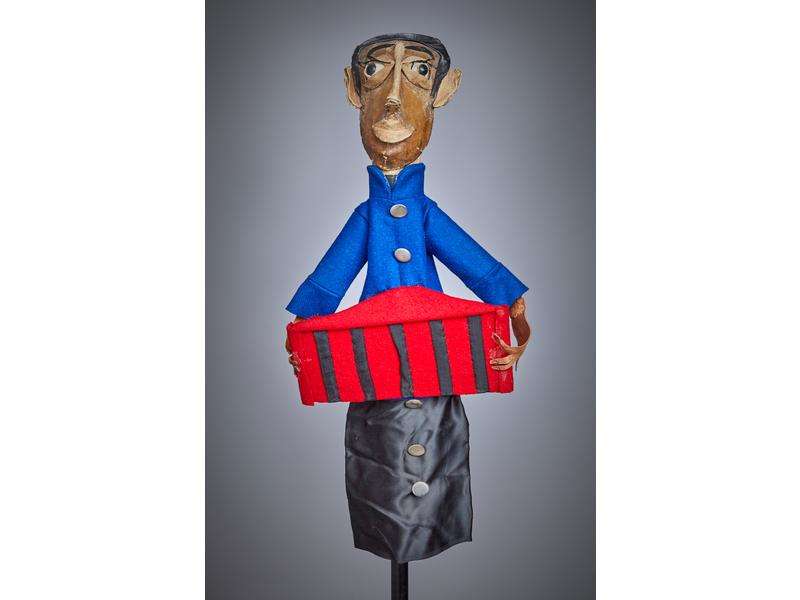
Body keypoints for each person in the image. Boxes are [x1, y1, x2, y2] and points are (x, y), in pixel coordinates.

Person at [285, 33, 531, 563]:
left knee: (435, 458)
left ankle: (428, 528)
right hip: (373, 367)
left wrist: (512, 304)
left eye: (418, 73)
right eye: (377, 73)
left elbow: (474, 263)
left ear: (443, 91)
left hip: (436, 362)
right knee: (381, 468)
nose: (394, 98)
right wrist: (304, 330)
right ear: (355, 90)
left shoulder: (423, 213)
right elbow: (329, 281)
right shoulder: (368, 216)